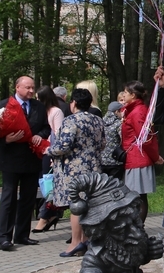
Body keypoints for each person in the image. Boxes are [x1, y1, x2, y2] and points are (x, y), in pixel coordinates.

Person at [0, 76, 51, 251]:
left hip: (32, 159)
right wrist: (6, 139)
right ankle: (4, 237)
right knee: (9, 198)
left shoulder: (39, 106)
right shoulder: (2, 105)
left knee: (28, 198)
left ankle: (22, 234)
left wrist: (40, 135)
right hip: (10, 159)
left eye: (33, 88)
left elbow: (46, 127)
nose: (31, 91)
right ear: (17, 87)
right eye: (28, 88)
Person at [48, 88, 106, 257]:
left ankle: (75, 243)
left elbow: (64, 145)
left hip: (74, 170)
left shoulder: (70, 121)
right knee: (88, 205)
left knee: (76, 206)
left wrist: (49, 150)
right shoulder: (97, 120)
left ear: (73, 103)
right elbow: (103, 144)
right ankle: (86, 240)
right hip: (94, 169)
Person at [122, 81, 163, 224]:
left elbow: (145, 138)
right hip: (135, 158)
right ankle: (136, 229)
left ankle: (138, 231)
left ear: (133, 95)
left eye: (126, 93)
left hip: (138, 160)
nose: (123, 95)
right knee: (137, 196)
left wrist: (155, 156)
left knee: (138, 197)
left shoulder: (137, 112)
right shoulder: (133, 110)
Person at [31, 86, 66, 233]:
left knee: (50, 185)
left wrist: (54, 155)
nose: (37, 101)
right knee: (44, 184)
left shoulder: (56, 112)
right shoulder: (39, 112)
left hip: (49, 152)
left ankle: (46, 216)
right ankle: (48, 214)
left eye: (39, 98)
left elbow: (58, 134)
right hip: (38, 151)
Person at [100, 101, 125, 181]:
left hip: (101, 160)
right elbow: (124, 139)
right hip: (115, 161)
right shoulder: (118, 124)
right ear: (117, 111)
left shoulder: (100, 122)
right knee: (115, 187)